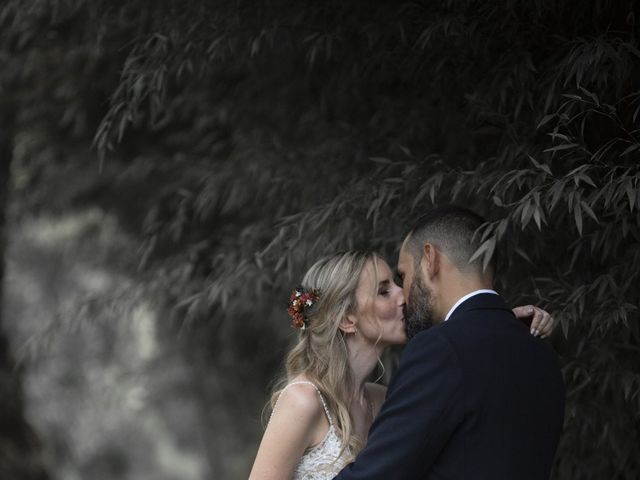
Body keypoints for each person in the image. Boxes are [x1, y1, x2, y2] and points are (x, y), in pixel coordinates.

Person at [249, 244, 556, 479]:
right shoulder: (304, 400)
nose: (403, 295)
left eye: (397, 282)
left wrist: (493, 324)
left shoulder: (386, 398)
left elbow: (455, 353)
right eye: (384, 291)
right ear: (347, 320)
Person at [333, 206, 565, 479]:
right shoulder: (542, 354)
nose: (404, 296)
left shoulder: (440, 349)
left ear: (430, 259)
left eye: (403, 276)